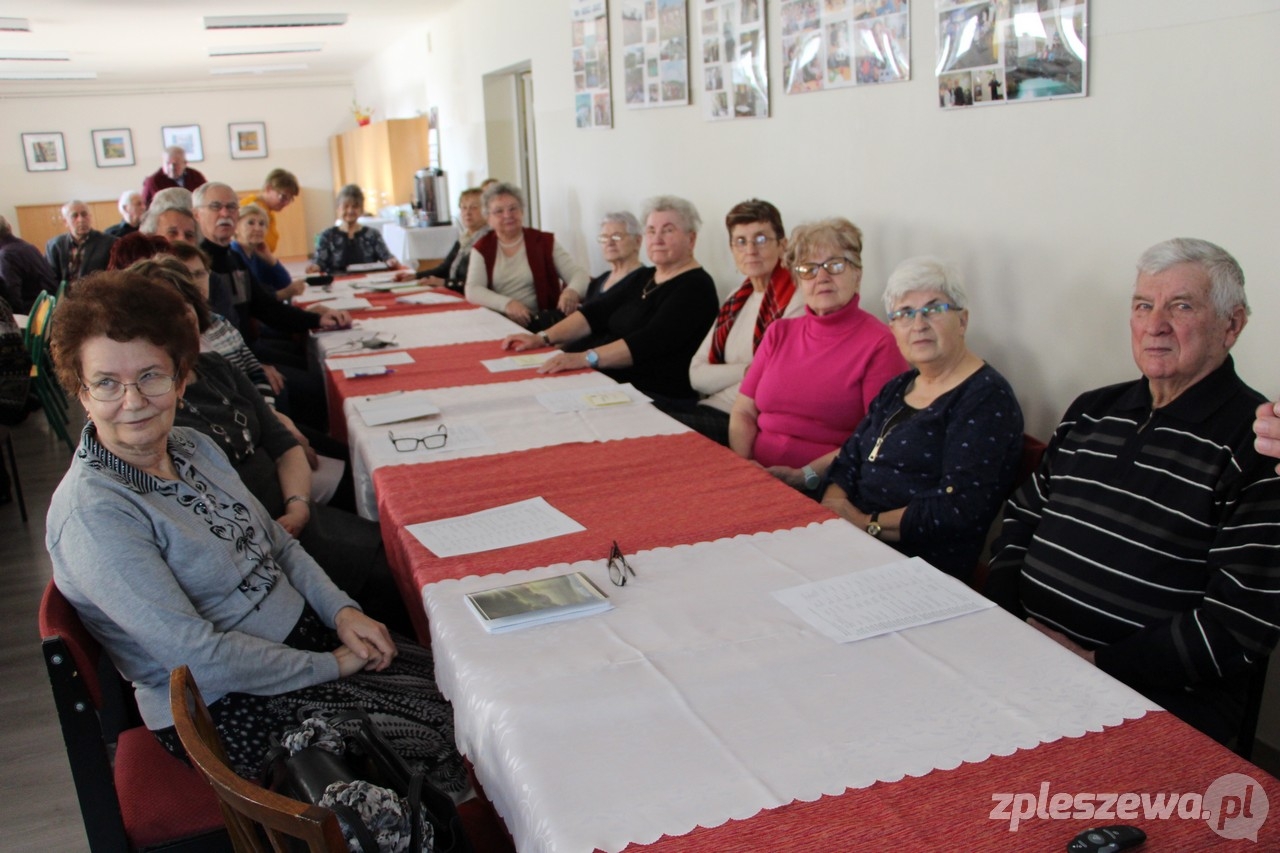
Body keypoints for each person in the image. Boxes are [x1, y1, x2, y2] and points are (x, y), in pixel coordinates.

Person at [44, 272, 465, 790]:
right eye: (107, 383)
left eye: (151, 376)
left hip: (304, 642)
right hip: (224, 704)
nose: (132, 401)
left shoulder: (193, 446)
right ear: (81, 393)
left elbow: (278, 544)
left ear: (181, 379)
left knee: (467, 684)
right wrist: (329, 665)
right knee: (453, 737)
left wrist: (342, 611)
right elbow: (198, 658)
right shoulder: (94, 514)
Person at [985, 238, 1280, 745]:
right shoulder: (1091, 410)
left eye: (1181, 306)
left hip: (1148, 703)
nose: (1155, 324)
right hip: (1024, 659)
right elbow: (1021, 518)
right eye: (1144, 305)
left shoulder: (1257, 447)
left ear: (1231, 325)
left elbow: (1236, 627)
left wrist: (1095, 664)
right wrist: (1011, 623)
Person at [821, 257, 1023, 581]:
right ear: (893, 329)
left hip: (919, 566)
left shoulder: (986, 398)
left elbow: (957, 507)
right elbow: (849, 458)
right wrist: (833, 510)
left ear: (962, 321)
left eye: (933, 309)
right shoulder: (898, 386)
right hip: (851, 542)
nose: (918, 324)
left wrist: (864, 524)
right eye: (904, 313)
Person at [729, 218, 907, 494]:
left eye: (835, 265)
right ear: (798, 281)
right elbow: (743, 411)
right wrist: (743, 465)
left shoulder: (881, 343)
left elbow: (875, 439)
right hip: (755, 475)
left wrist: (805, 475)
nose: (822, 277)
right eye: (808, 269)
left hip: (824, 484)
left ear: (857, 275)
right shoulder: (779, 332)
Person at [501, 195, 718, 408]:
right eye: (652, 231)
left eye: (668, 230)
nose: (657, 239)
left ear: (691, 239)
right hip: (613, 383)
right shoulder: (645, 276)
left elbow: (649, 342)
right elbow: (594, 313)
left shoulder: (696, 287)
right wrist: (541, 338)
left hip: (655, 395)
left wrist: (585, 358)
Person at [679, 199, 803, 445]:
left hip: (743, 423)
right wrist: (747, 370)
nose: (750, 250)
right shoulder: (736, 297)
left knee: (655, 430)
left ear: (783, 245)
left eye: (760, 239)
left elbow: (772, 379)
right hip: (706, 407)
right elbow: (696, 375)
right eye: (741, 241)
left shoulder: (797, 298)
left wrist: (726, 375)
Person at [465, 182, 589, 330]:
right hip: (500, 323)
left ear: (522, 211)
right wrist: (507, 304)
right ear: (488, 218)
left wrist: (571, 291)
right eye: (499, 211)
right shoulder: (482, 248)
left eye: (513, 208)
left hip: (543, 324)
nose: (507, 215)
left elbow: (579, 274)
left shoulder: (543, 241)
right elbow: (473, 289)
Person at [395, 187, 490, 291]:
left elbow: (481, 283)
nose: (467, 212)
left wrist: (444, 282)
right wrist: (415, 276)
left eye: (474, 207)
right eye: (464, 207)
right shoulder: (465, 238)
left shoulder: (488, 240)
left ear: (486, 211)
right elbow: (444, 269)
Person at [308, 184, 407, 274]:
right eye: (346, 206)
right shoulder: (327, 235)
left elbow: (386, 256)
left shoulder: (372, 234)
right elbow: (319, 261)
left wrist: (391, 261)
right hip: (337, 282)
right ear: (338, 208)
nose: (350, 211)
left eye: (355, 207)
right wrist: (315, 267)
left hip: (368, 281)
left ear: (361, 209)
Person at [231, 203, 303, 300]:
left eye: (262, 224)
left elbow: (285, 284)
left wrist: (270, 259)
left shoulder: (258, 255)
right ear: (235, 228)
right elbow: (248, 298)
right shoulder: (233, 255)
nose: (258, 228)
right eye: (251, 223)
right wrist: (283, 294)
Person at [46, 200, 117, 285]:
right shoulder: (55, 245)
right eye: (74, 216)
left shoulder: (110, 242)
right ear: (65, 222)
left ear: (90, 217)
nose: (81, 220)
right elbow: (50, 277)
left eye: (84, 214)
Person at [583, 211, 648, 303]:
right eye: (604, 237)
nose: (609, 243)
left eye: (617, 237)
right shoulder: (596, 283)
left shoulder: (646, 280)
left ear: (638, 241)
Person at [0, 214, 58, 312]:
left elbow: (13, 301)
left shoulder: (6, 255)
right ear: (9, 227)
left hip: (34, 313)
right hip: (49, 307)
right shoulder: (28, 246)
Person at [238, 168, 299, 254]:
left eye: (290, 199)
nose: (286, 203)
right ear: (268, 188)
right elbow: (256, 249)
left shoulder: (266, 210)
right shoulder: (253, 210)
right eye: (283, 197)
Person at [141, 146, 207, 207]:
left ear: (185, 163)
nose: (171, 167)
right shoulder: (153, 181)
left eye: (175, 164)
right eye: (168, 163)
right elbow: (144, 205)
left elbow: (206, 196)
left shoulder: (196, 176)